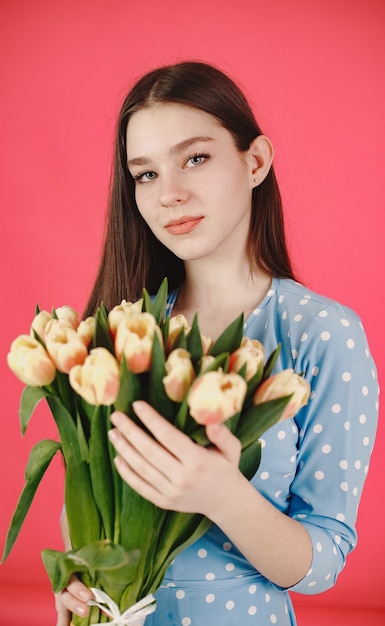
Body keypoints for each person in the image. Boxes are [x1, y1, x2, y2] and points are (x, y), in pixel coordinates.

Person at [55, 62, 379, 626]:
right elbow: (86, 504)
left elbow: (323, 561)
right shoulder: (125, 330)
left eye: (195, 158)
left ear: (255, 162)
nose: (170, 194)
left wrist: (221, 493)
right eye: (146, 174)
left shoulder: (320, 333)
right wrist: (77, 579)